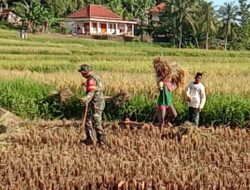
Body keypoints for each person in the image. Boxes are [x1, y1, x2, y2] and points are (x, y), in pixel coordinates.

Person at [78, 64, 105, 146]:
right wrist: (86, 86)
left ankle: (101, 141)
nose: (82, 75)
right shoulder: (96, 77)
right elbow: (99, 88)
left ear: (85, 73)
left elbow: (92, 92)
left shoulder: (91, 80)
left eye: (82, 73)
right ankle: (90, 140)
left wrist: (86, 98)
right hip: (97, 102)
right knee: (88, 121)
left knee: (96, 122)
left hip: (96, 104)